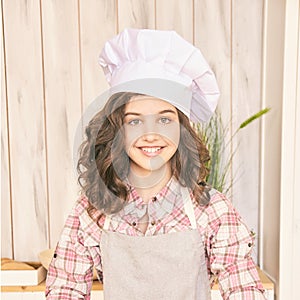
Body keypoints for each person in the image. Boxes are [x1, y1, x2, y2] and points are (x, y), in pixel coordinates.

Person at [45, 28, 266, 299]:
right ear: (117, 130)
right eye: (135, 120)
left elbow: (245, 289)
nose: (151, 134)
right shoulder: (91, 213)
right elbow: (64, 290)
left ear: (181, 129)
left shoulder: (213, 210)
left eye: (164, 119)